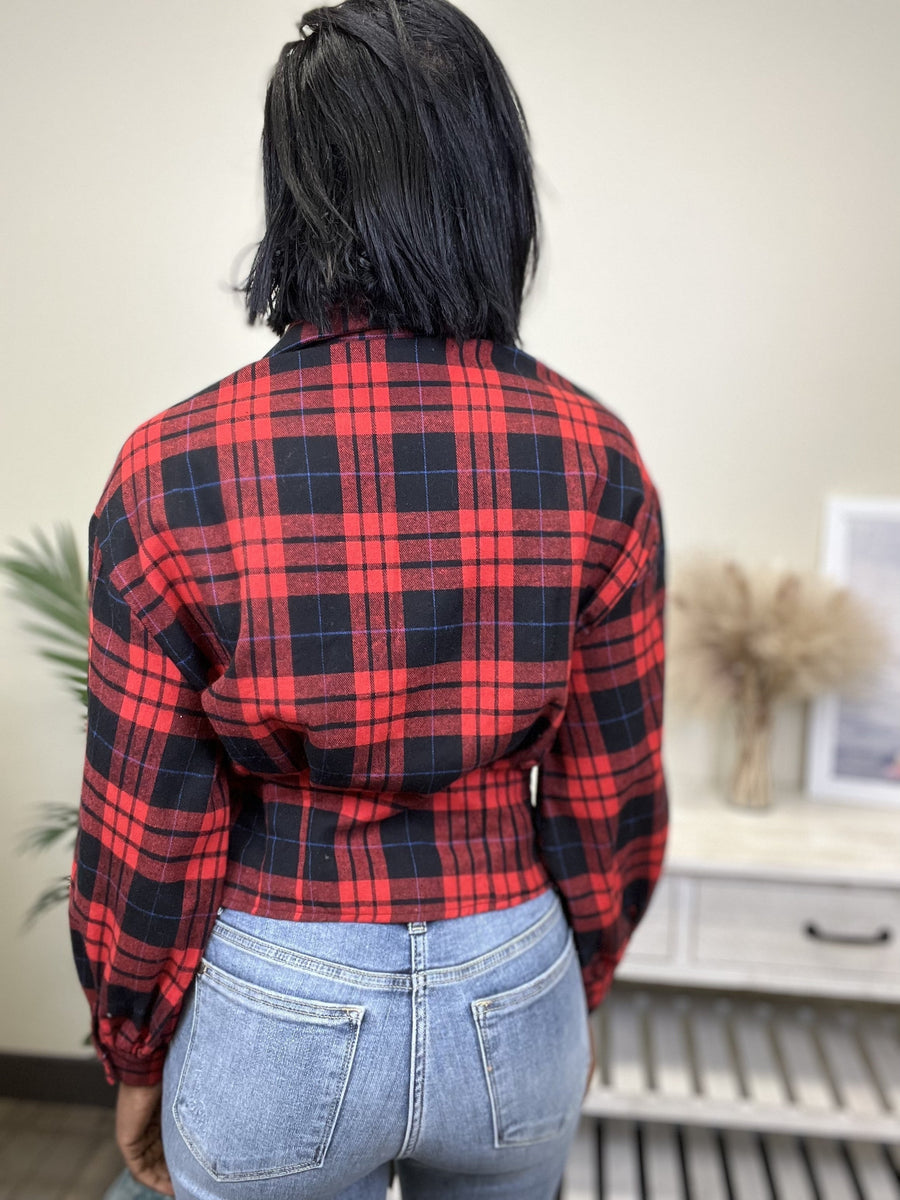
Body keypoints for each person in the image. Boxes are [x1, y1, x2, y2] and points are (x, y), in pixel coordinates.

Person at [69, 2, 667, 1197]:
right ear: (493, 182)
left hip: (275, 985)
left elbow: (148, 822)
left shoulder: (172, 467)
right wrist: (570, 987)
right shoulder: (595, 454)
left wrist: (133, 1047)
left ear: (296, 187)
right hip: (514, 969)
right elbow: (612, 797)